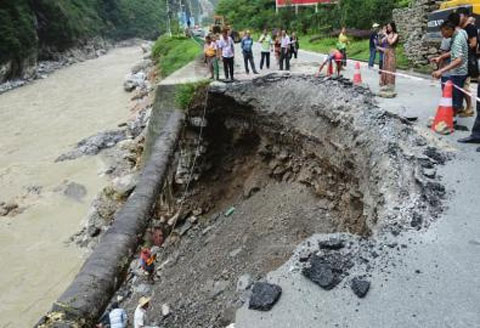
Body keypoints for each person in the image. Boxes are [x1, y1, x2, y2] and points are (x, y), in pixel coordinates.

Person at [431, 18, 468, 116]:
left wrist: (441, 71)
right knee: (454, 95)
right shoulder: (460, 33)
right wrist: (441, 57)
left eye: (443, 32)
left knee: (454, 97)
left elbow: (458, 60)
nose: (442, 35)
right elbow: (455, 51)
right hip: (459, 70)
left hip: (458, 72)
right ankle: (452, 115)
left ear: (449, 29)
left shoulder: (457, 40)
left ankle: (451, 119)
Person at [457, 7, 478, 117]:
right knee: (459, 85)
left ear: (465, 16)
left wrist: (461, 49)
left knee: (465, 86)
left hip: (468, 61)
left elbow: (473, 43)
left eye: (459, 16)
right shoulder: (460, 28)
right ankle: (460, 106)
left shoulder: (470, 28)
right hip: (461, 61)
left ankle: (470, 108)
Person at [377, 22, 399, 94]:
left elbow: (391, 42)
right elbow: (380, 42)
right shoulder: (388, 34)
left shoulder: (396, 35)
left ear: (393, 27)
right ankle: (385, 83)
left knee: (390, 67)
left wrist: (386, 35)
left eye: (389, 27)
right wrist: (380, 35)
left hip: (391, 53)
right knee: (385, 67)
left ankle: (391, 85)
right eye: (387, 27)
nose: (388, 28)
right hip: (385, 53)